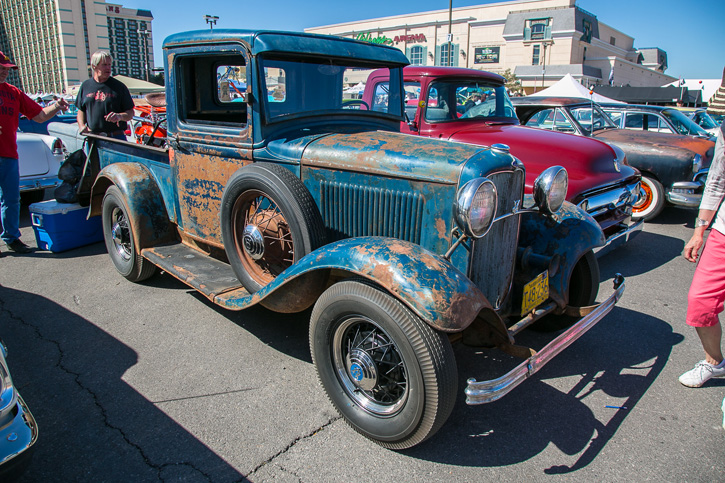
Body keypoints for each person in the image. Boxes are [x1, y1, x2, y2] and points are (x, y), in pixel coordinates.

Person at [0, 51, 69, 254]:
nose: (5, 72)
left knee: (11, 199)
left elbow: (39, 116)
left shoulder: (13, 92)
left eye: (7, 69)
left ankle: (11, 238)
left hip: (9, 155)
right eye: (1, 68)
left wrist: (57, 106)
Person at [680, 121, 725, 387]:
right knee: (700, 302)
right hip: (723, 232)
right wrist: (700, 230)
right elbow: (718, 179)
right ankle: (714, 361)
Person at [75, 51, 134, 140]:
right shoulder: (85, 86)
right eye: (104, 65)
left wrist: (119, 116)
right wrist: (81, 125)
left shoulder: (119, 87)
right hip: (93, 138)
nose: (108, 68)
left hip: (116, 138)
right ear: (94, 66)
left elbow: (130, 113)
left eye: (109, 65)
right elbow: (81, 110)